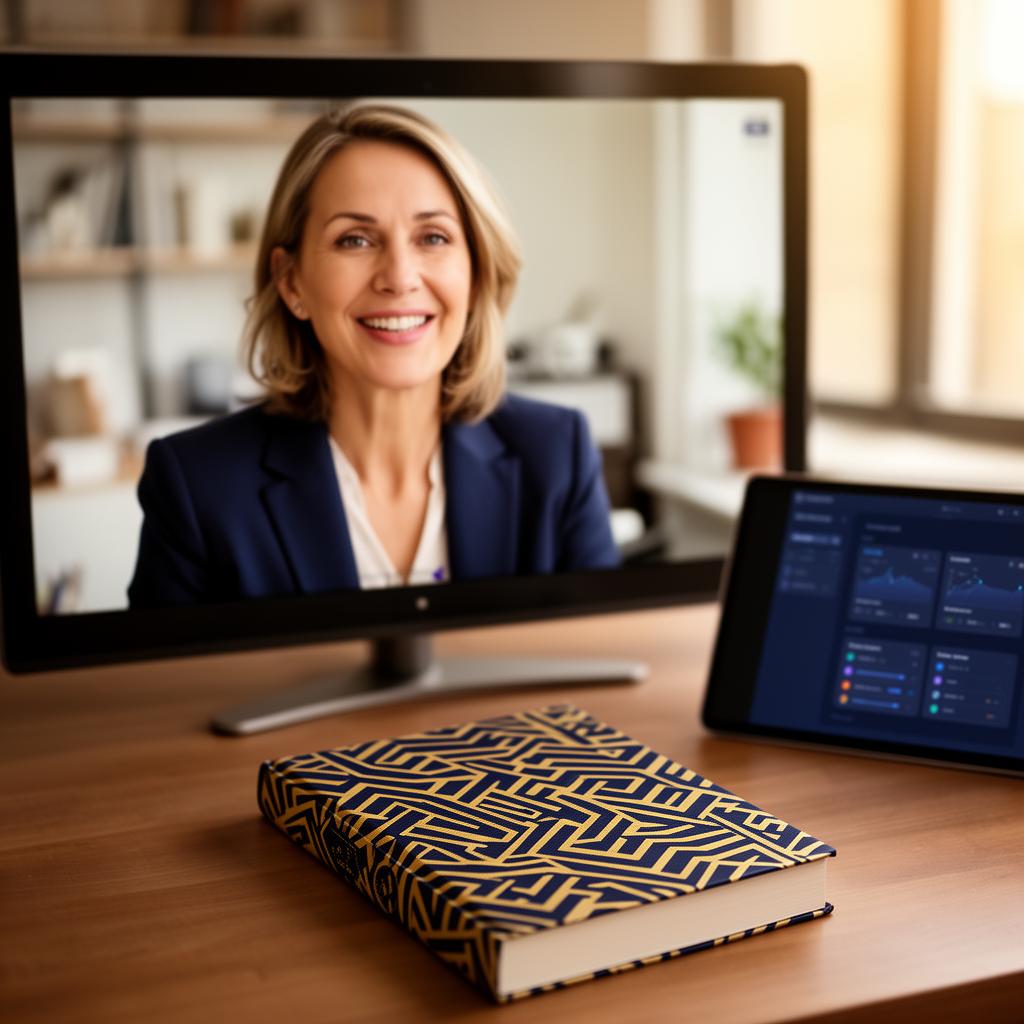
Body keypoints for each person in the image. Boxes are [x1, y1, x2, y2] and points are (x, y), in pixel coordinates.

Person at [128, 104, 619, 607]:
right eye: (355, 240)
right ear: (291, 281)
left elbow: (606, 662)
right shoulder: (196, 486)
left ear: (475, 274)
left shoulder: (559, 455)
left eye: (433, 237)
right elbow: (157, 686)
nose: (400, 277)